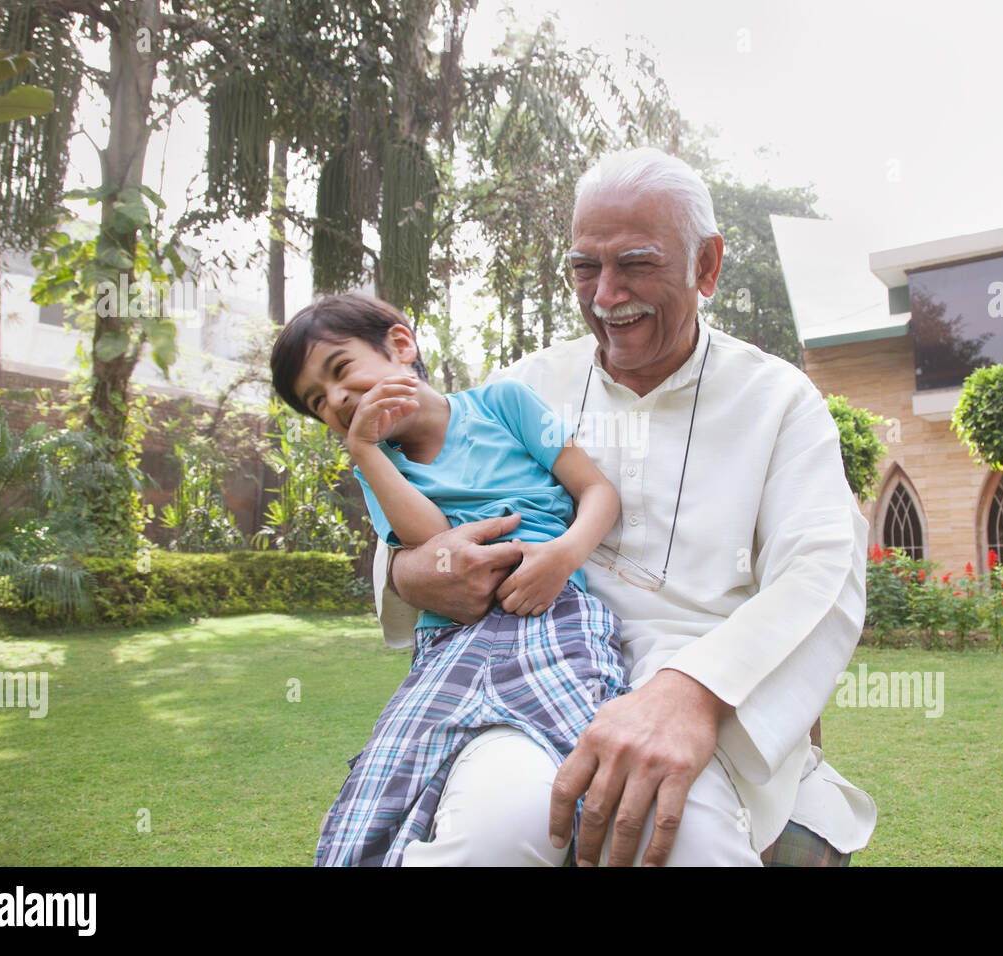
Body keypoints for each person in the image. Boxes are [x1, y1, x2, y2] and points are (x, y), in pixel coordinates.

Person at [381, 147, 877, 867]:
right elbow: (423, 494)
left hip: (702, 682)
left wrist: (693, 695)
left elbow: (822, 572)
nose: (607, 295)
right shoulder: (521, 389)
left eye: (637, 264)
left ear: (706, 266)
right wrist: (405, 573)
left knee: (678, 843)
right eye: (586, 267)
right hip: (529, 669)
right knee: (494, 838)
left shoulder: (777, 400)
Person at [269, 293, 629, 866]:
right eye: (317, 401)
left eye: (339, 370)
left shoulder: (502, 403)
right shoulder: (378, 463)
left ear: (401, 345)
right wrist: (364, 448)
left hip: (552, 616)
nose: (335, 398)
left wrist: (563, 556)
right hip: (449, 643)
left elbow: (598, 491)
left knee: (590, 764)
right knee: (386, 783)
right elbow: (431, 536)